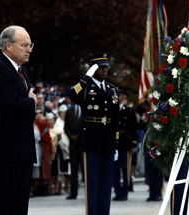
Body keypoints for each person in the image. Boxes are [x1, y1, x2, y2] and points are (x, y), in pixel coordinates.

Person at [0, 25, 37, 215]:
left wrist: (28, 105)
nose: (29, 49)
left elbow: (22, 111)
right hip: (3, 155)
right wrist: (31, 102)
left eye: (30, 45)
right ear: (8, 46)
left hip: (21, 153)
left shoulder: (23, 72)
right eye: (24, 45)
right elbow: (10, 106)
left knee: (19, 209)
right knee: (1, 208)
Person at [69, 52, 119, 215]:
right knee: (92, 182)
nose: (105, 70)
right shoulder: (85, 88)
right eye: (100, 67)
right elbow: (73, 96)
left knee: (106, 183)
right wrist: (86, 77)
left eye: (106, 67)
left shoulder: (111, 90)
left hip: (107, 140)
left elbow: (115, 118)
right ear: (93, 69)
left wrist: (116, 143)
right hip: (91, 139)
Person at [112, 86, 137, 201]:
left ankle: (124, 192)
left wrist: (133, 144)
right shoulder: (112, 109)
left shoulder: (129, 111)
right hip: (114, 143)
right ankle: (117, 192)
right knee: (115, 169)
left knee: (125, 169)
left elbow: (133, 128)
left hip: (125, 142)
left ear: (123, 97)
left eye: (120, 95)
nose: (118, 97)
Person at [64, 103, 85, 200]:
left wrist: (79, 137)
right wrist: (71, 136)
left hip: (83, 145)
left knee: (86, 170)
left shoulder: (86, 109)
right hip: (73, 145)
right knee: (73, 170)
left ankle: (89, 192)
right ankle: (73, 193)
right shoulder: (69, 111)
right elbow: (66, 127)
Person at [55, 104, 71, 194]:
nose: (64, 114)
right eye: (62, 113)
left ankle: (67, 186)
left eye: (65, 113)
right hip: (61, 147)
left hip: (69, 146)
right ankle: (61, 187)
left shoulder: (68, 121)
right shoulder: (58, 122)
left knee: (69, 169)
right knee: (61, 169)